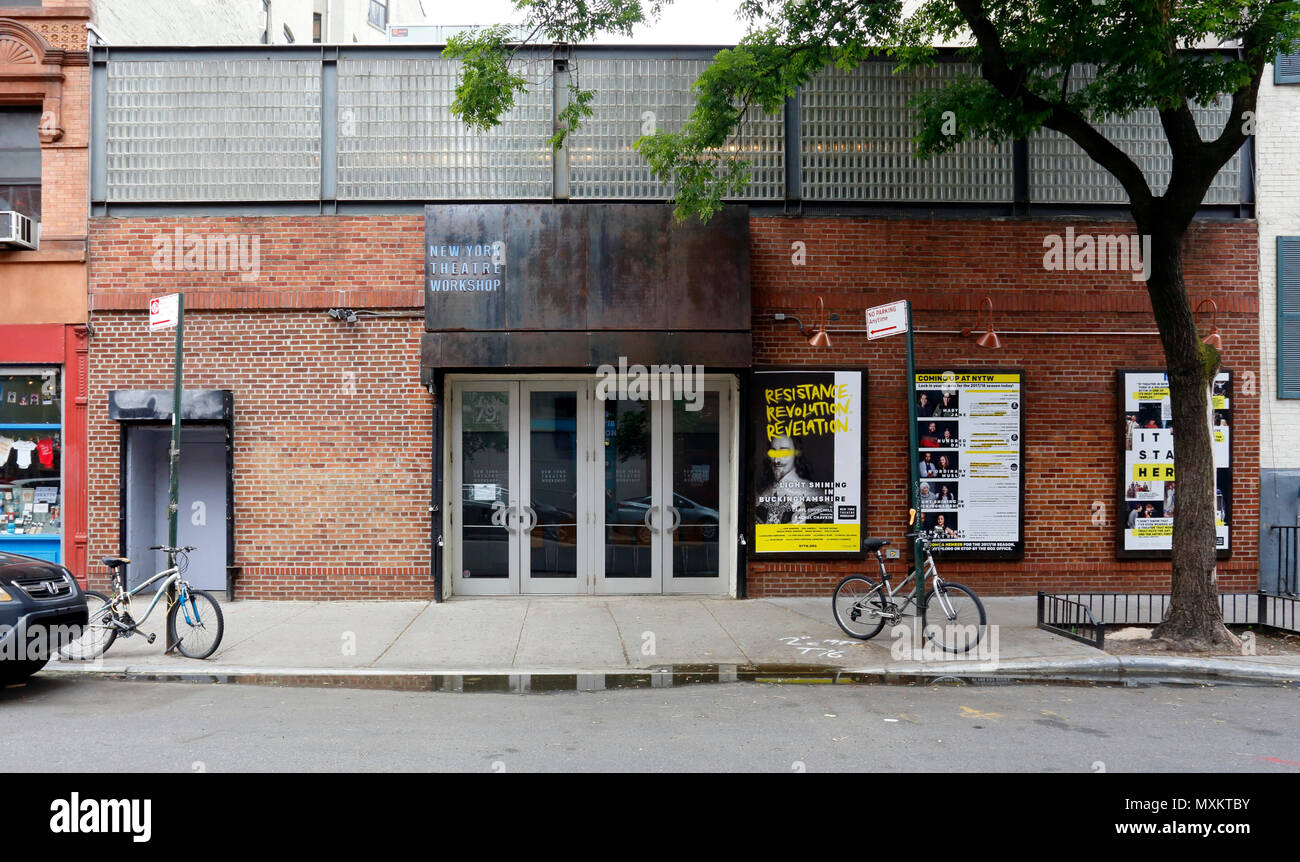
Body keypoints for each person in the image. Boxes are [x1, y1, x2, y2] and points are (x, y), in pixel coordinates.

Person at [755, 433, 833, 525]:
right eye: (773, 452)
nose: (776, 460)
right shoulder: (764, 492)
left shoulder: (813, 496)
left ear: (797, 454)